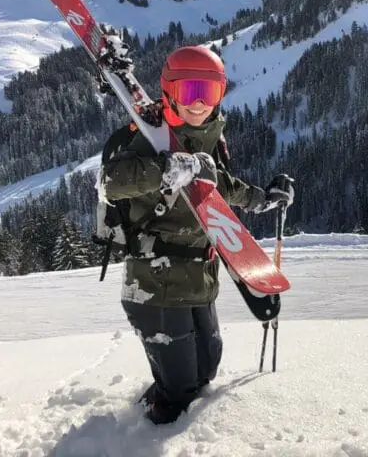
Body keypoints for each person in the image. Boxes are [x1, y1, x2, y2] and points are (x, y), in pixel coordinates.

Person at [100, 44, 294, 425]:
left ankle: (138, 426)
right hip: (155, 285)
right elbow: (111, 182)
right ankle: (141, 442)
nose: (199, 103)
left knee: (204, 373)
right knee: (179, 392)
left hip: (199, 282)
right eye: (190, 91)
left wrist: (265, 200)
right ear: (170, 89)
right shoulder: (152, 136)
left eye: (210, 92)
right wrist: (167, 168)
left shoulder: (208, 141)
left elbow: (223, 187)